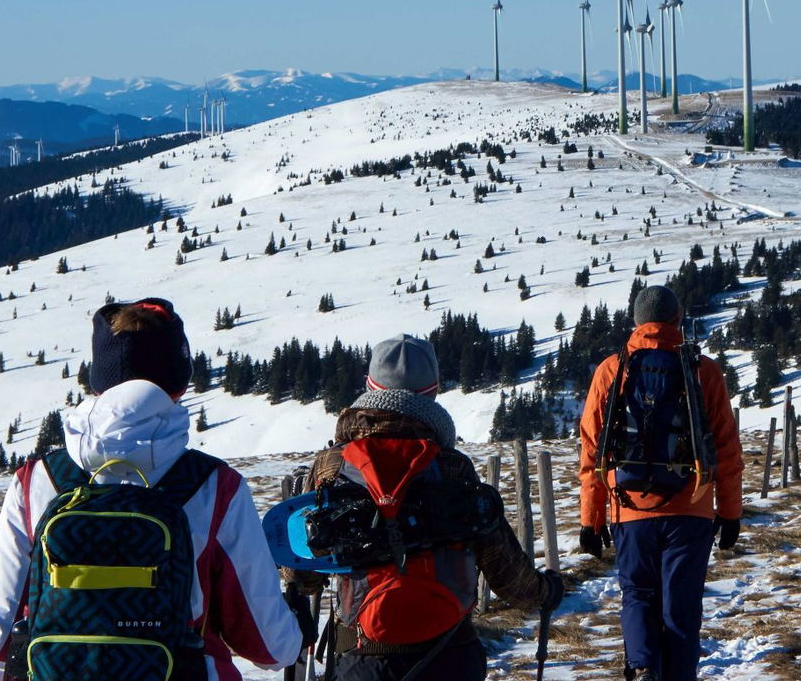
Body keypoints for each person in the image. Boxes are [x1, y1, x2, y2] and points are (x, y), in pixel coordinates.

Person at [0, 298, 304, 681]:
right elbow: (270, 646)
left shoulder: (37, 481)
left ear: (99, 380)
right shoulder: (215, 486)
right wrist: (295, 629)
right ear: (178, 383)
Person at [288, 333, 563, 680]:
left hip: (361, 656)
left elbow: (302, 571)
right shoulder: (452, 467)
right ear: (432, 392)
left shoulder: (331, 466)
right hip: (450, 654)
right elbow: (505, 572)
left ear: (370, 387)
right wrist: (547, 591)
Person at [578, 285, 743, 681]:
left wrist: (591, 519)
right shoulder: (703, 370)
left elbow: (591, 451)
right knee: (681, 606)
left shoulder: (612, 369)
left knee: (637, 595)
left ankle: (642, 667)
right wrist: (731, 512)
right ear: (678, 319)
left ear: (636, 322)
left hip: (629, 508)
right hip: (692, 508)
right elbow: (726, 446)